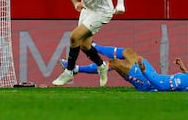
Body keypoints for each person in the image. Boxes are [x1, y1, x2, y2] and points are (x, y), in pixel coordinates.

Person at [59, 42, 188, 92]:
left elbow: (162, 86)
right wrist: (184, 69)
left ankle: (76, 69)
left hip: (148, 82)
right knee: (128, 52)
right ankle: (93, 46)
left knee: (115, 63)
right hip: (153, 75)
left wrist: (144, 73)